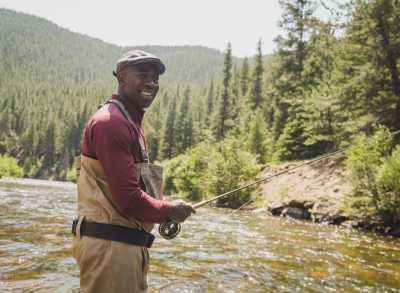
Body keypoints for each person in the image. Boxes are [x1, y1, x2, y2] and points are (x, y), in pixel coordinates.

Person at [72, 50, 195, 293]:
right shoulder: (111, 122)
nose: (151, 83)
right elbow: (129, 200)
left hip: (124, 247)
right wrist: (171, 210)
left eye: (155, 78)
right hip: (111, 249)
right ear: (120, 78)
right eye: (142, 75)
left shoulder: (129, 123)